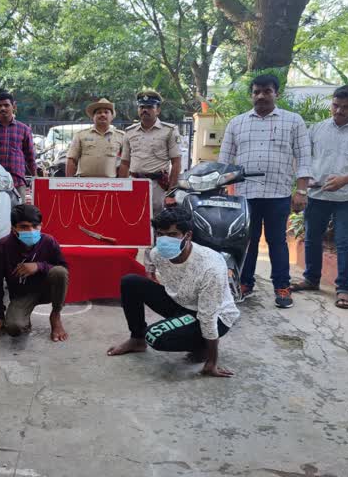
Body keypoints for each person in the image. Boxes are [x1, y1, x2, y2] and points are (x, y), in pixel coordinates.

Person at [107, 206, 240, 378]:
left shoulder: (210, 267)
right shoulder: (158, 254)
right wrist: (150, 273)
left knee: (155, 336)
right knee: (130, 282)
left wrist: (212, 362)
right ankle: (137, 339)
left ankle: (204, 348)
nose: (164, 240)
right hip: (180, 302)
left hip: (214, 315)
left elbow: (208, 315)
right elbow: (150, 259)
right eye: (160, 234)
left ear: (188, 235)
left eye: (172, 235)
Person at [217, 74, 312, 308]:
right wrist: (221, 187)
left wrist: (301, 191)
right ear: (252, 94)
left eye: (266, 91)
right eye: (256, 91)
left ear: (276, 94)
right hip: (244, 194)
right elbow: (225, 160)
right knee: (245, 241)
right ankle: (244, 283)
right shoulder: (237, 123)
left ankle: (282, 286)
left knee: (277, 241)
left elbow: (304, 156)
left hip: (277, 193)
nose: (261, 96)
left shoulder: (293, 121)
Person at [291, 85, 348, 309]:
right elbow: (302, 157)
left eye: (346, 107)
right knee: (312, 238)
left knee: (345, 243)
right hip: (318, 194)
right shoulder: (318, 129)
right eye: (335, 105)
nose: (339, 111)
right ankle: (311, 279)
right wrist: (304, 182)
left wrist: (345, 179)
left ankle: (344, 289)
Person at [0, 205, 70, 342]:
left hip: (47, 289)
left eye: (35, 226)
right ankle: (24, 320)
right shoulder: (1, 247)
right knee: (14, 328)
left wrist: (39, 266)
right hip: (22, 294)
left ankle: (55, 315)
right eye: (24, 227)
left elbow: (63, 268)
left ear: (41, 225)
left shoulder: (48, 241)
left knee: (59, 272)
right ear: (13, 228)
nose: (31, 230)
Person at [118, 90, 182, 215]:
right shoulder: (130, 132)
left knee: (157, 221)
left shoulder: (169, 131)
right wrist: (121, 187)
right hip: (133, 183)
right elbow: (125, 163)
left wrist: (171, 192)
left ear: (158, 110)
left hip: (157, 186)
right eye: (141, 107)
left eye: (149, 107)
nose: (144, 110)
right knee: (133, 217)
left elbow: (176, 162)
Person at [0, 92, 36, 203]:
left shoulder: (24, 130)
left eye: (6, 105)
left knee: (19, 215)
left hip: (17, 182)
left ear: (13, 106)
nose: (3, 108)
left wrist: (36, 178)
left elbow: (30, 157)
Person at [66, 98, 125, 178]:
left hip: (111, 185)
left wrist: (123, 184)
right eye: (99, 112)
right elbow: (71, 160)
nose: (102, 115)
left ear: (112, 116)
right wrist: (69, 184)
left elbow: (126, 162)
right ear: (93, 117)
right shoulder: (80, 135)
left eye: (106, 112)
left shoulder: (121, 136)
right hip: (84, 183)